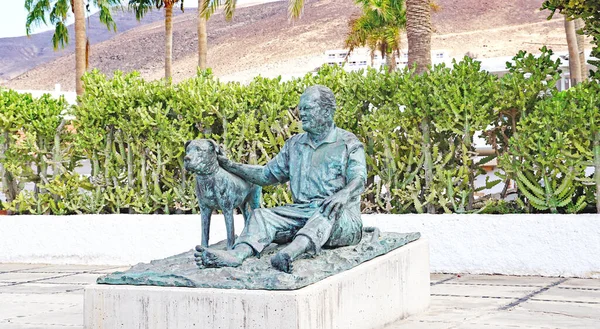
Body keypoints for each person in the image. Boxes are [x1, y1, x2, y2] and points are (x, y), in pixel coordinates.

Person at [194, 85, 367, 273]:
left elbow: (359, 178)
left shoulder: (347, 143)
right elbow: (265, 175)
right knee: (260, 215)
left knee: (326, 212)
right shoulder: (295, 145)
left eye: (307, 108)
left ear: (326, 111)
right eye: (300, 109)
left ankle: (288, 254)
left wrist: (344, 194)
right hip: (300, 213)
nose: (301, 114)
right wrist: (230, 165)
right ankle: (236, 255)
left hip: (340, 217)